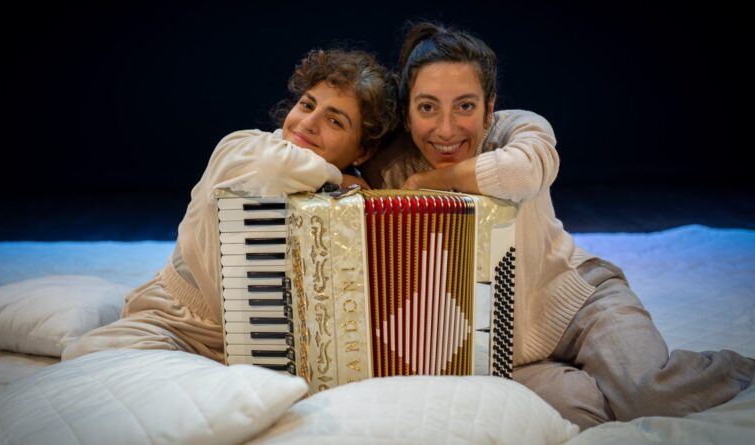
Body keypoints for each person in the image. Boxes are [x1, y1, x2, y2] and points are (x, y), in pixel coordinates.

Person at [360, 21, 755, 430]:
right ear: (407, 114)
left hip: (581, 301)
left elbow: (523, 172)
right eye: (427, 107)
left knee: (652, 394)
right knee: (576, 412)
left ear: (489, 108)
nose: (446, 129)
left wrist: (433, 181)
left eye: (465, 106)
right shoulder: (389, 167)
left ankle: (736, 369)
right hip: (501, 354)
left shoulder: (518, 130)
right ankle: (611, 387)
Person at [62, 48, 398, 362]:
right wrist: (341, 178)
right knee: (91, 360)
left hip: (271, 347)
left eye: (334, 121)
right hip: (175, 323)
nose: (309, 122)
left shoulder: (354, 204)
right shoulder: (243, 148)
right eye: (307, 105)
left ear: (363, 152)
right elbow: (273, 167)